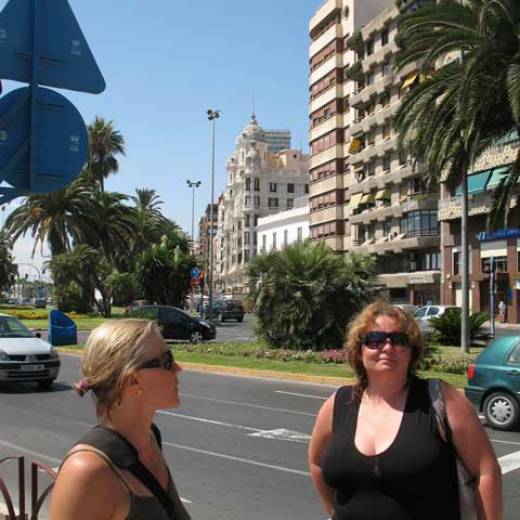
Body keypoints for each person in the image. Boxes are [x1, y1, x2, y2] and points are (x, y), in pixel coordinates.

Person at [308, 302, 501, 520]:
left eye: (399, 340)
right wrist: (335, 513)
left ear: (412, 351)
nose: (387, 348)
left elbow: (486, 472)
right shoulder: (338, 403)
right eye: (374, 340)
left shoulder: (441, 399)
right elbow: (316, 463)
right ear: (359, 350)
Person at [50, 319, 190, 520]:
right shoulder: (87, 472)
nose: (178, 368)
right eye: (167, 360)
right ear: (132, 378)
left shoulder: (150, 438)